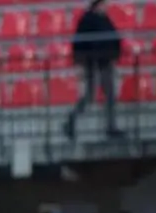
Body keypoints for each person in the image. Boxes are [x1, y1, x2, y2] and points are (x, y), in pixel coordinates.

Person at [64, 0, 124, 141]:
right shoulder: (87, 20)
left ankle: (111, 127)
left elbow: (114, 38)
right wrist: (80, 63)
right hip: (92, 63)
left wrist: (114, 55)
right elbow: (79, 43)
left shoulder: (105, 19)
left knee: (109, 95)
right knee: (89, 96)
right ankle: (71, 121)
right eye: (103, 4)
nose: (106, 7)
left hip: (104, 62)